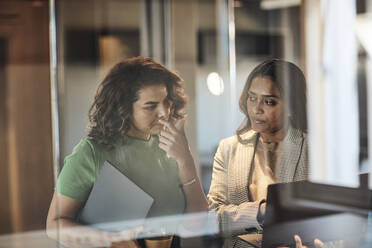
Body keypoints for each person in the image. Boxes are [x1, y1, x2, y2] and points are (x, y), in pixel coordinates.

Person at [46, 56, 208, 248]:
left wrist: (186, 161)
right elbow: (54, 225)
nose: (164, 112)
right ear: (123, 108)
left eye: (166, 101)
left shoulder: (171, 145)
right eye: (151, 106)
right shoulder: (91, 152)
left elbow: (196, 225)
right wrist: (109, 240)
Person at [207, 59, 309, 248]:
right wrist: (261, 211)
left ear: (291, 108)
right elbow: (212, 218)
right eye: (252, 97)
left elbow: (330, 221)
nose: (256, 109)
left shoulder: (311, 150)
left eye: (268, 101)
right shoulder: (228, 149)